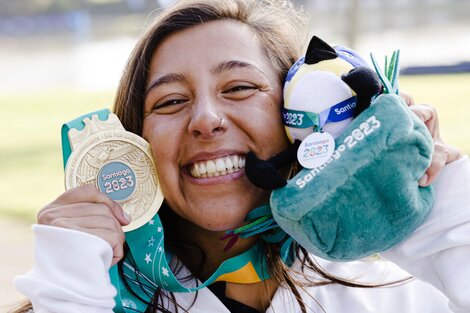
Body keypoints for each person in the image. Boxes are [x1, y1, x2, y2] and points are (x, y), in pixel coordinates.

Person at [12, 0, 470, 312]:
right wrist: (69, 289)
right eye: (170, 101)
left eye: (239, 88)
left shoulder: (391, 292)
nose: (206, 119)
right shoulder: (87, 287)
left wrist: (434, 205)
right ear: (137, 141)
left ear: (294, 114)